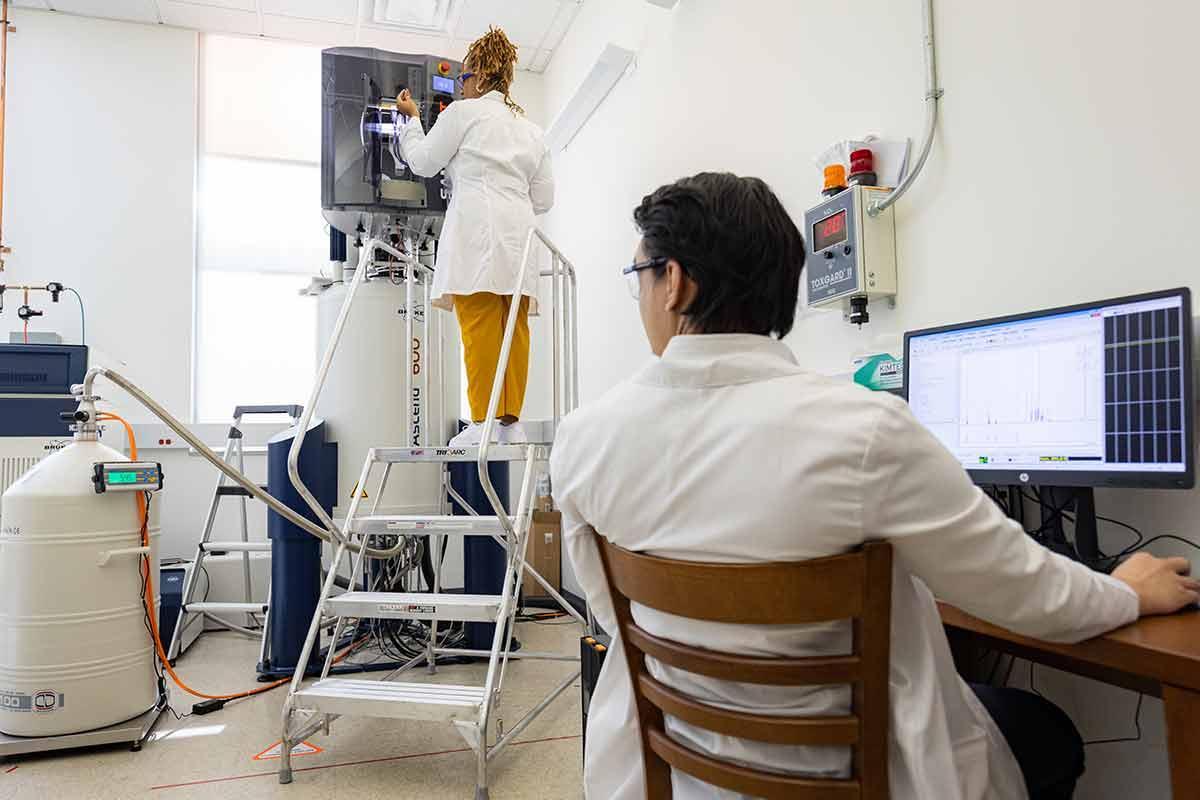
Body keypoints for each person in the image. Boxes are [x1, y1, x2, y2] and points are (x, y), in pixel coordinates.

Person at [549, 172, 1199, 800]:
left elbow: (613, 614)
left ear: (674, 285)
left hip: (681, 765)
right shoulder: (864, 430)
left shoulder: (585, 439)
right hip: (846, 774)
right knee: (1043, 730)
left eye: (638, 275)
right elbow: (1030, 595)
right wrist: (1126, 592)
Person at [395, 26, 554, 447]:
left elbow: (424, 163)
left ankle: (482, 423)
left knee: (480, 323)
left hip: (475, 233)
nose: (462, 85)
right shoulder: (531, 131)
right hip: (519, 236)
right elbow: (544, 198)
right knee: (513, 327)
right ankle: (509, 424)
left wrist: (411, 124)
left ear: (480, 76)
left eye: (465, 77)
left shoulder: (462, 115)